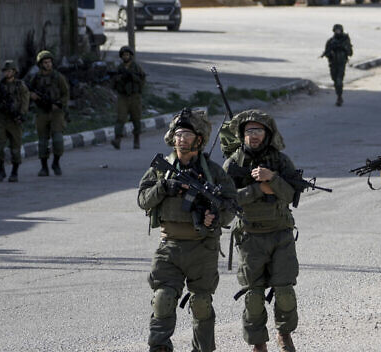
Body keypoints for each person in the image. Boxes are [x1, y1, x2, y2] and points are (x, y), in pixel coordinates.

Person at [138, 108, 237, 352]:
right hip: (169, 246)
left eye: (187, 135)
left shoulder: (213, 172)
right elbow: (143, 199)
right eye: (178, 134)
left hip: (203, 247)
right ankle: (160, 346)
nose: (181, 139)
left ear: (199, 140)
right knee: (162, 298)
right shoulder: (161, 169)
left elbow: (231, 205)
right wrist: (163, 187)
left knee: (201, 303)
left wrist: (214, 218)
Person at [222, 110, 301, 352]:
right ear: (242, 134)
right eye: (249, 131)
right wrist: (258, 190)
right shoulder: (232, 164)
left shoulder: (281, 161)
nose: (254, 135)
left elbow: (291, 195)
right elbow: (225, 201)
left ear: (267, 134)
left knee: (284, 290)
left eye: (258, 130)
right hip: (250, 236)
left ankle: (284, 334)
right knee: (253, 296)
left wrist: (272, 178)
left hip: (280, 233)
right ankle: (258, 342)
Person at [28, 50, 69, 176]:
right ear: (41, 64)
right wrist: (32, 96)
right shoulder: (36, 78)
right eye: (45, 62)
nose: (48, 64)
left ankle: (56, 163)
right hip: (42, 112)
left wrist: (59, 104)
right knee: (42, 142)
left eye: (49, 62)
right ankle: (44, 167)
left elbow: (65, 93)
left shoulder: (58, 77)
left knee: (58, 140)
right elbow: (27, 91)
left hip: (56, 112)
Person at [0, 59, 29, 183]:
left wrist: (21, 114)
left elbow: (25, 101)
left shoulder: (20, 85)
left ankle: (14, 172)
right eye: (5, 71)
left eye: (9, 71)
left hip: (15, 121)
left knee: (15, 149)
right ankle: (1, 170)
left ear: (14, 72)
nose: (7, 73)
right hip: (2, 120)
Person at [112, 45, 146, 150]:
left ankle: (136, 139)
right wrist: (120, 78)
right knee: (120, 118)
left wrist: (132, 76)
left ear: (130, 56)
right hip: (123, 96)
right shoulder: (119, 68)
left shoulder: (136, 67)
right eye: (124, 55)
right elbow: (114, 82)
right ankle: (117, 139)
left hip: (134, 96)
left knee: (136, 118)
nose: (125, 57)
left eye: (127, 55)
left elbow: (142, 80)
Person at [321, 24, 353, 106]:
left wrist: (343, 47)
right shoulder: (330, 41)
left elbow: (350, 53)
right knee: (334, 79)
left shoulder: (345, 40)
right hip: (333, 63)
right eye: (336, 30)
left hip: (341, 63)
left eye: (339, 30)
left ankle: (339, 97)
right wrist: (330, 53)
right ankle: (338, 94)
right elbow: (327, 52)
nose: (337, 32)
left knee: (339, 81)